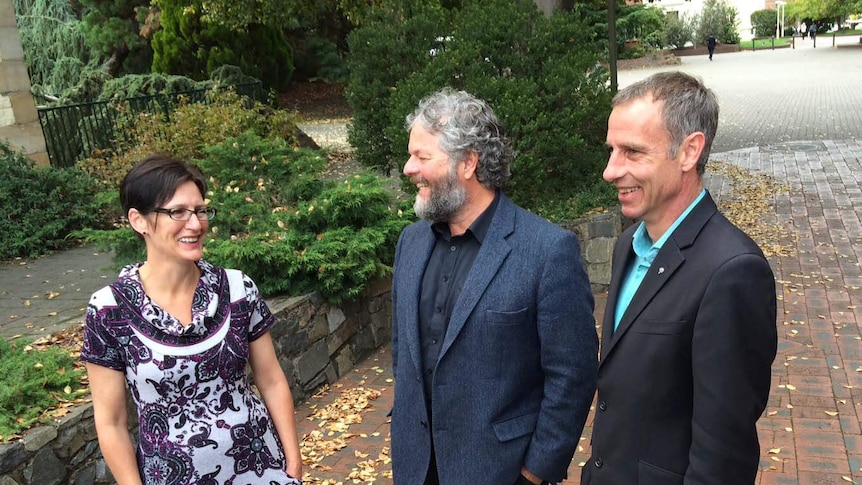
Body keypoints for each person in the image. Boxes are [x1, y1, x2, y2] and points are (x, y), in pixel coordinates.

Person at [390, 88, 598, 485]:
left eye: (421, 156)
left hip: (501, 471)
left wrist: (535, 472)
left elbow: (573, 374)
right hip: (416, 469)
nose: (408, 167)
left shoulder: (547, 250)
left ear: (467, 162)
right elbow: (404, 354)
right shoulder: (410, 244)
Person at [581, 71, 777, 484]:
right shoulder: (628, 245)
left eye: (632, 152)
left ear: (689, 152)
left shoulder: (733, 271)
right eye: (611, 150)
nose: (610, 171)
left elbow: (723, 457)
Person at [81, 155, 303, 485]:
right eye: (177, 212)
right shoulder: (109, 310)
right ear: (138, 220)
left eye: (200, 210)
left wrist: (293, 459)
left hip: (262, 468)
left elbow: (271, 379)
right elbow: (111, 421)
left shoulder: (238, 289)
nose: (196, 224)